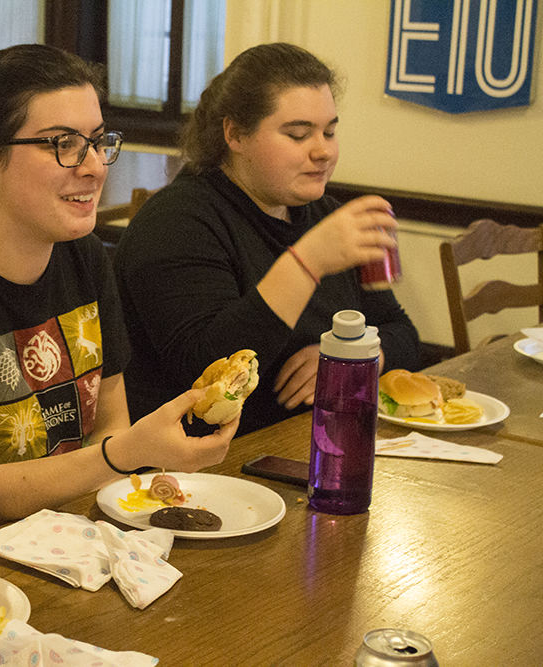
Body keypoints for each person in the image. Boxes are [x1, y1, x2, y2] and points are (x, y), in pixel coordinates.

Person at [0, 44, 238, 532]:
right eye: (63, 143)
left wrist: (123, 454)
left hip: (59, 533)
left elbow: (110, 421)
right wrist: (125, 455)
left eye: (98, 141)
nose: (95, 165)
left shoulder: (85, 256)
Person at [113, 43, 422, 437]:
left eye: (330, 131)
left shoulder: (326, 215)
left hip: (305, 441)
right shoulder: (178, 221)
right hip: (200, 463)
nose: (323, 151)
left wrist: (355, 360)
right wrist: (307, 262)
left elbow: (400, 331)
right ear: (235, 134)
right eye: (298, 134)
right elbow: (207, 375)